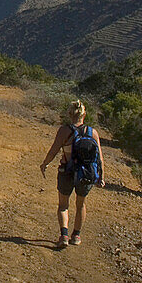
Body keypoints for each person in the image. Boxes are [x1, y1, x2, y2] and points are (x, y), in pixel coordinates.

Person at [40, 99, 105, 248]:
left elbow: (54, 150)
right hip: (86, 174)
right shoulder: (92, 132)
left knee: (63, 205)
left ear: (70, 114)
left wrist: (45, 163)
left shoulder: (64, 131)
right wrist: (101, 176)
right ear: (85, 115)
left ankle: (63, 235)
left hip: (67, 171)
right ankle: (76, 235)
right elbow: (100, 158)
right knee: (81, 204)